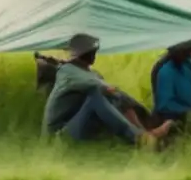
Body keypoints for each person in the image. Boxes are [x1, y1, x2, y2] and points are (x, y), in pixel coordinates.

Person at [42, 33, 172, 147]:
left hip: (77, 123)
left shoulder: (92, 73)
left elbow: (113, 93)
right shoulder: (66, 71)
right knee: (98, 94)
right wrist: (109, 90)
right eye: (91, 51)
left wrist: (143, 112)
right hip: (58, 137)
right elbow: (96, 86)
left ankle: (145, 132)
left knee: (114, 97)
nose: (94, 54)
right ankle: (139, 138)